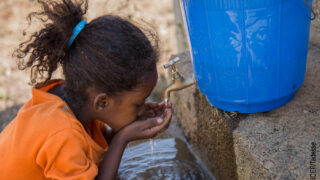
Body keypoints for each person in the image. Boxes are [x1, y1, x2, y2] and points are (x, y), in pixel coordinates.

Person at [0, 0, 173, 179]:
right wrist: (122, 138)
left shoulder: (75, 98)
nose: (142, 106)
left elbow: (93, 142)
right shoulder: (62, 134)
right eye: (138, 104)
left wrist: (133, 120)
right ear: (102, 102)